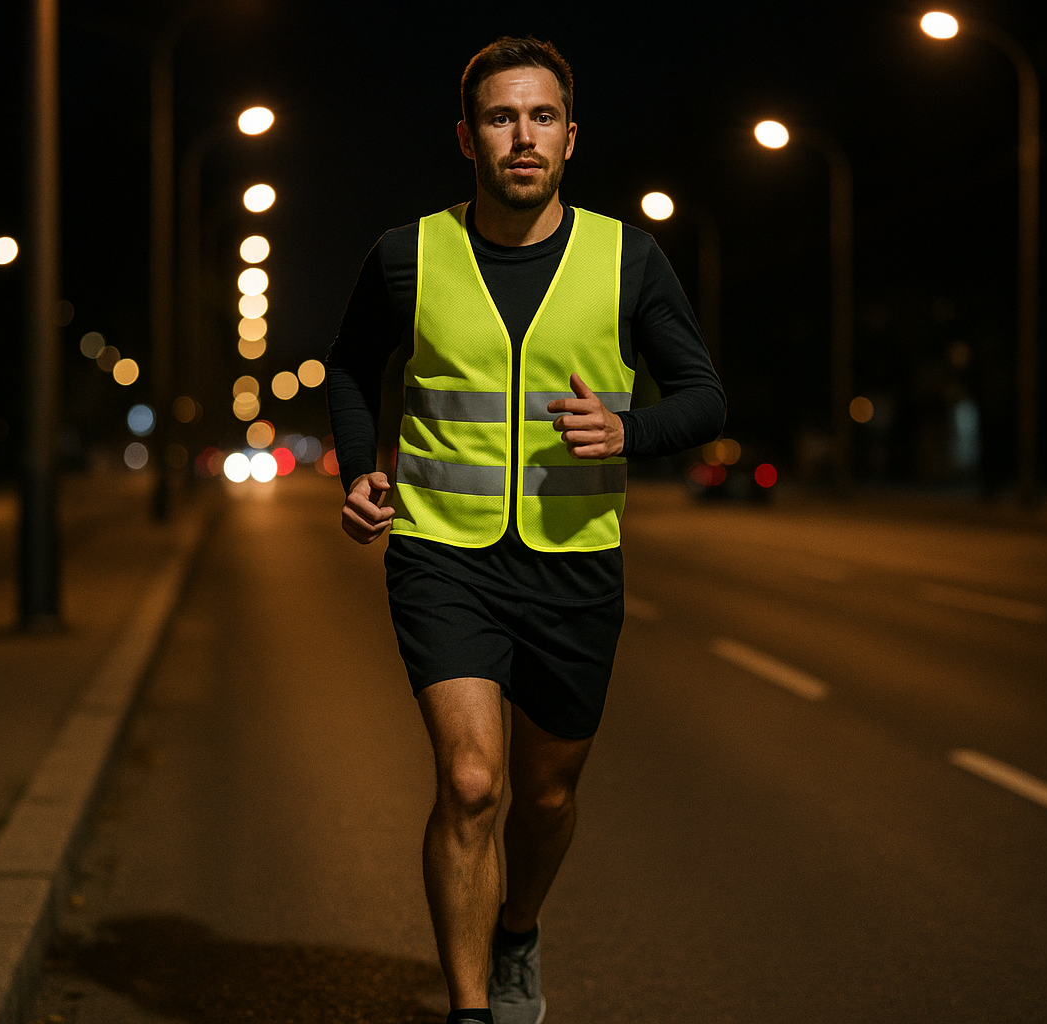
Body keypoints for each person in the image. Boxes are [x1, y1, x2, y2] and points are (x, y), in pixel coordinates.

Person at [327, 36, 724, 1024]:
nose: (522, 135)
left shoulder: (626, 256)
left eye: (541, 116)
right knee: (471, 782)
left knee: (544, 800)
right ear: (467, 137)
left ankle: (517, 934)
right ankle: (470, 1012)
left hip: (574, 565)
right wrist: (360, 469)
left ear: (571, 137)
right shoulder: (406, 254)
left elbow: (706, 397)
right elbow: (346, 366)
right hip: (443, 552)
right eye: (502, 117)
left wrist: (627, 431)